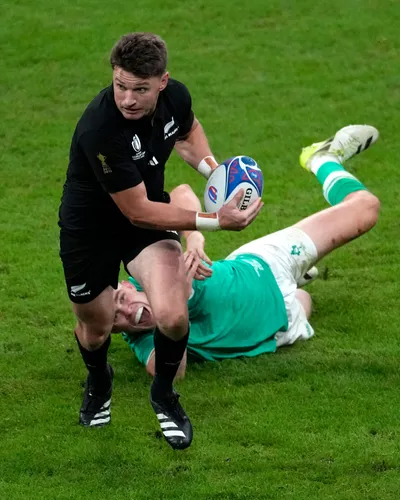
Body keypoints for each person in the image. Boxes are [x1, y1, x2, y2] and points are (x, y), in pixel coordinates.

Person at [58, 32, 263, 450]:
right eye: (120, 86)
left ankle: (164, 395)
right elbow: (137, 210)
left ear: (163, 82)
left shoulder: (176, 98)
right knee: (95, 329)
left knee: (172, 316)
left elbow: (188, 134)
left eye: (140, 89)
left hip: (142, 226)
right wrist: (215, 220)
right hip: (91, 231)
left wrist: (216, 174)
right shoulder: (99, 129)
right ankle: (99, 380)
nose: (128, 99)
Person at [113, 125, 380, 405]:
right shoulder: (144, 341)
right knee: (303, 299)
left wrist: (194, 240)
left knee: (366, 208)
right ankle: (299, 279)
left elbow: (181, 193)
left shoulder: (151, 269)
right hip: (281, 325)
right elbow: (171, 373)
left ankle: (322, 160)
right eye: (116, 320)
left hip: (263, 264)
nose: (128, 312)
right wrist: (169, 310)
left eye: (121, 299)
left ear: (125, 285)